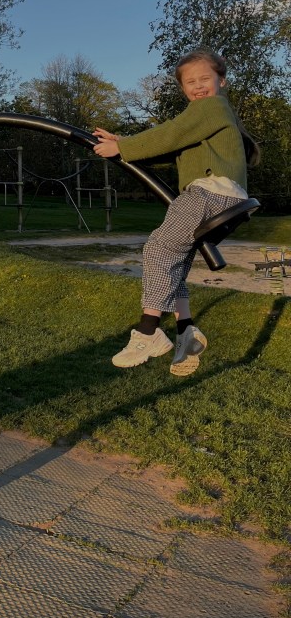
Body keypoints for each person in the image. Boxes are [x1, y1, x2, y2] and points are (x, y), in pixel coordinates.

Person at [93, 49, 259, 376]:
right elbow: (169, 147)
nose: (198, 86)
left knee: (159, 248)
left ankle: (148, 331)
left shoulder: (211, 107)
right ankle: (186, 331)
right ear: (183, 87)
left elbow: (170, 134)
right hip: (223, 197)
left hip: (209, 192)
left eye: (205, 79)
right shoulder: (207, 119)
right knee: (175, 260)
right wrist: (124, 144)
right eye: (190, 82)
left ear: (221, 81)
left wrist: (123, 148)